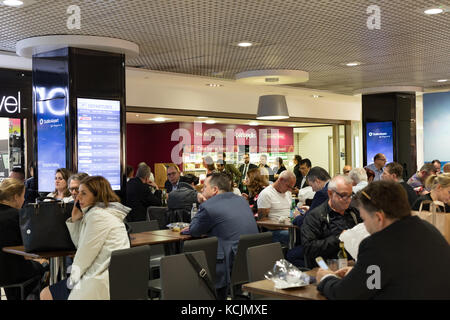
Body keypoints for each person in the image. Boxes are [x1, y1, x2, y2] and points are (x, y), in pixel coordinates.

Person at [316, 181, 450, 299]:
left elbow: (345, 294)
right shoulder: (430, 231)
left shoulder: (376, 245)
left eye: (365, 219)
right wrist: (360, 274)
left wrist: (326, 278)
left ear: (379, 218)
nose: (365, 226)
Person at [40, 176, 130, 300]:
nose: (78, 197)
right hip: (113, 278)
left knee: (45, 294)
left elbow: (83, 256)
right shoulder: (108, 213)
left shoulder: (97, 216)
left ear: (97, 195)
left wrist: (70, 282)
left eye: (83, 193)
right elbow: (82, 245)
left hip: (97, 281)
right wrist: (75, 220)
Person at [186, 173, 259, 300]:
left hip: (228, 263)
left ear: (215, 190)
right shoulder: (242, 200)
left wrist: (202, 203)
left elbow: (194, 230)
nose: (202, 190)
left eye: (204, 187)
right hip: (251, 260)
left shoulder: (209, 206)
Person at [0, 178, 48, 300]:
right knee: (45, 265)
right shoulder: (18, 216)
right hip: (11, 271)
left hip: (5, 269)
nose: (24, 199)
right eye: (23, 196)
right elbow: (31, 244)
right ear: (16, 197)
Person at [301, 175, 362, 268]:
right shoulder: (315, 216)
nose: (348, 200)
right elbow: (309, 248)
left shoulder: (354, 213)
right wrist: (339, 238)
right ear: (330, 194)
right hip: (325, 266)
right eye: (343, 195)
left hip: (354, 265)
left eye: (350, 195)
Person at [257, 171, 297, 245]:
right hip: (275, 230)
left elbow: (292, 211)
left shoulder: (287, 193)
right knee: (295, 236)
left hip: (289, 227)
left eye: (291, 187)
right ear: (280, 180)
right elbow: (262, 221)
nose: (289, 189)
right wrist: (283, 227)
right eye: (288, 186)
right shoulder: (266, 194)